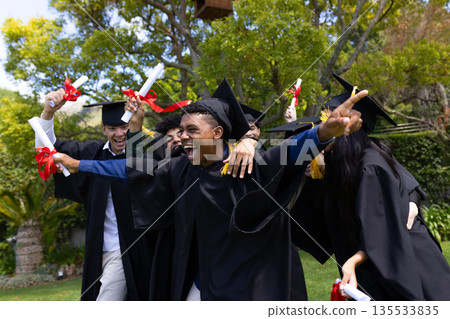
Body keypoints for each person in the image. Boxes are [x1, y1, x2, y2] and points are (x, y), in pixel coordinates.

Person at [54, 79, 366, 300]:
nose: (183, 137)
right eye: (182, 130)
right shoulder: (182, 169)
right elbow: (140, 169)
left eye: (192, 130)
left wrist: (324, 130)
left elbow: (289, 152)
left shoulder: (246, 164)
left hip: (249, 286)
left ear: (217, 132)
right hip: (203, 282)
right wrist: (132, 131)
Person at [318, 74, 450, 300]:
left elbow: (381, 231)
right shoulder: (355, 161)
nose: (325, 133)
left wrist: (353, 260)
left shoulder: (371, 166)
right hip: (389, 265)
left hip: (409, 267)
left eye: (330, 126)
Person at [36, 92, 156, 301]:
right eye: (112, 128)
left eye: (125, 127)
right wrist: (48, 112)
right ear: (103, 129)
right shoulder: (91, 152)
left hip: (132, 249)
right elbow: (48, 150)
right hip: (99, 248)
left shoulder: (148, 153)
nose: (119, 134)